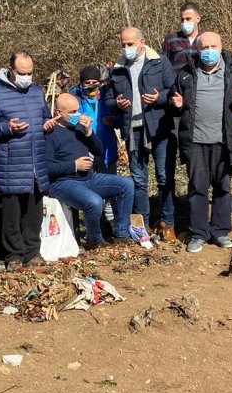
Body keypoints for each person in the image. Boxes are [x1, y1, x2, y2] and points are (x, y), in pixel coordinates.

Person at [172, 32, 232, 253]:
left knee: (223, 188)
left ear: (221, 46)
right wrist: (176, 104)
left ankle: (220, 231)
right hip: (196, 140)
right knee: (197, 189)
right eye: (204, 47)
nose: (208, 51)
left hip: (223, 140)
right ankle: (199, 233)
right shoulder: (187, 73)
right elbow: (174, 99)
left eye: (212, 46)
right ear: (197, 50)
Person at [106, 27, 178, 241]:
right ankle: (143, 225)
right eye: (123, 44)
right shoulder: (117, 69)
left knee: (165, 177)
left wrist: (160, 98)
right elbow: (108, 100)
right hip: (133, 131)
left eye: (130, 44)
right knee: (139, 180)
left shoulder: (160, 62)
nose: (126, 48)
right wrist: (117, 104)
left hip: (159, 129)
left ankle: (168, 223)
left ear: (142, 42)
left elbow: (173, 91)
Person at [0, 52, 55, 270]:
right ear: (11, 70)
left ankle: (33, 251)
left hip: (36, 163)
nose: (27, 77)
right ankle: (14, 255)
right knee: (12, 213)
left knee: (34, 213)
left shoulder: (37, 92)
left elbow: (44, 117)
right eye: (22, 73)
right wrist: (8, 128)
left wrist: (47, 125)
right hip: (12, 164)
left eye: (30, 73)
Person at [46, 93, 134, 248]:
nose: (77, 114)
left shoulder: (79, 128)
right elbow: (47, 167)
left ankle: (122, 234)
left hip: (88, 178)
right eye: (72, 112)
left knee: (126, 185)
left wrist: (88, 132)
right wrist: (74, 165)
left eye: (78, 110)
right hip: (63, 182)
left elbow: (99, 150)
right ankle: (95, 240)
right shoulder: (50, 134)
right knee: (94, 202)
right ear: (59, 113)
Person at [69, 65, 118, 172]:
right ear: (81, 83)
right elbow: (68, 120)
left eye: (94, 82)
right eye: (87, 82)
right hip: (85, 148)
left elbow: (119, 115)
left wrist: (113, 120)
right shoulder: (74, 98)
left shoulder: (107, 96)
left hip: (107, 147)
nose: (91, 85)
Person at [161, 2, 202, 75]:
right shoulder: (171, 39)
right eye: (182, 19)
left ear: (198, 19)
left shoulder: (205, 39)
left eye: (188, 19)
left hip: (200, 83)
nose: (184, 22)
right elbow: (163, 64)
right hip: (176, 84)